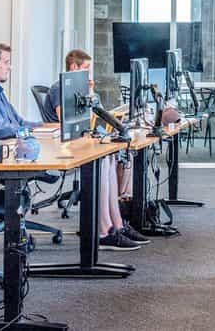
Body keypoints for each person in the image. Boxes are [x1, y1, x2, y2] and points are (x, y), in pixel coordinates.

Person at [46, 49, 148, 251]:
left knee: (120, 155)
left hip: (83, 139)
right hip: (66, 146)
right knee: (105, 159)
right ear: (74, 67)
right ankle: (105, 228)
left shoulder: (84, 89)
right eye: (86, 69)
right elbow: (65, 119)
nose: (89, 75)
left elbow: (97, 117)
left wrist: (92, 95)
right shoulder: (61, 88)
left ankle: (117, 221)